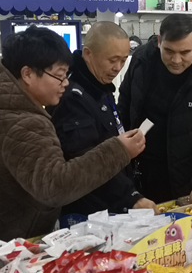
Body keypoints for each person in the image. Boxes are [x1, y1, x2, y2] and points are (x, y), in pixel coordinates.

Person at [0, 26, 145, 258]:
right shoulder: (22, 121)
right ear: (27, 74)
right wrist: (118, 151)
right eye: (59, 75)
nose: (65, 83)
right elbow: (55, 185)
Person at [118, 14, 192, 204]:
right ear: (159, 41)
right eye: (169, 51)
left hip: (186, 180)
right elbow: (123, 109)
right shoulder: (141, 62)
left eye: (185, 52)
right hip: (138, 175)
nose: (176, 60)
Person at [50, 22, 158, 215]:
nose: (118, 68)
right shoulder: (72, 97)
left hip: (111, 205)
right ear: (88, 54)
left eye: (123, 60)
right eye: (112, 60)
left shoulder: (100, 86)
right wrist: (130, 196)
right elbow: (83, 160)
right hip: (88, 213)